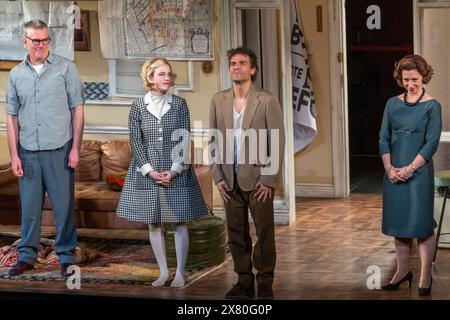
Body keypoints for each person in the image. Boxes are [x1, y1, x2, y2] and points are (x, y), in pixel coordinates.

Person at [116, 57, 208, 288]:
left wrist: (175, 170)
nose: (167, 78)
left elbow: (185, 138)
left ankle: (180, 273)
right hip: (147, 172)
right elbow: (136, 141)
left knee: (178, 222)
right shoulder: (138, 106)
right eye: (162, 74)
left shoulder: (178, 104)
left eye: (169, 74)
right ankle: (164, 272)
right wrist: (149, 171)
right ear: (149, 77)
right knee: (154, 224)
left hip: (175, 169)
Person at [6, 20, 85, 277]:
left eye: (45, 40)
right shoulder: (16, 74)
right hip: (27, 152)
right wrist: (14, 155)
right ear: (25, 42)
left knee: (63, 209)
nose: (41, 45)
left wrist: (75, 148)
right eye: (36, 40)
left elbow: (78, 110)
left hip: (59, 150)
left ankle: (65, 256)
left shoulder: (66, 68)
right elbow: (12, 117)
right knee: (29, 210)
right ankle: (27, 256)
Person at [209, 47, 285, 300]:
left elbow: (277, 140)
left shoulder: (267, 100)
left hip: (258, 180)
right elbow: (213, 139)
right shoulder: (218, 100)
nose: (236, 67)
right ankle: (243, 280)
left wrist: (268, 178)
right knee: (236, 234)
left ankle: (265, 282)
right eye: (232, 63)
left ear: (252, 69)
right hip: (229, 181)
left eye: (242, 63)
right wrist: (217, 177)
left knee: (264, 233)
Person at [379, 54, 442, 296]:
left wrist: (409, 169)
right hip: (393, 173)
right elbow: (383, 138)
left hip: (419, 174)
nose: (410, 84)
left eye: (414, 79)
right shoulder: (392, 104)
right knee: (399, 225)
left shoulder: (432, 106)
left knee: (422, 225)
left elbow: (431, 143)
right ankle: (402, 271)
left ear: (423, 77)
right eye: (406, 79)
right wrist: (390, 169)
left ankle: (425, 275)